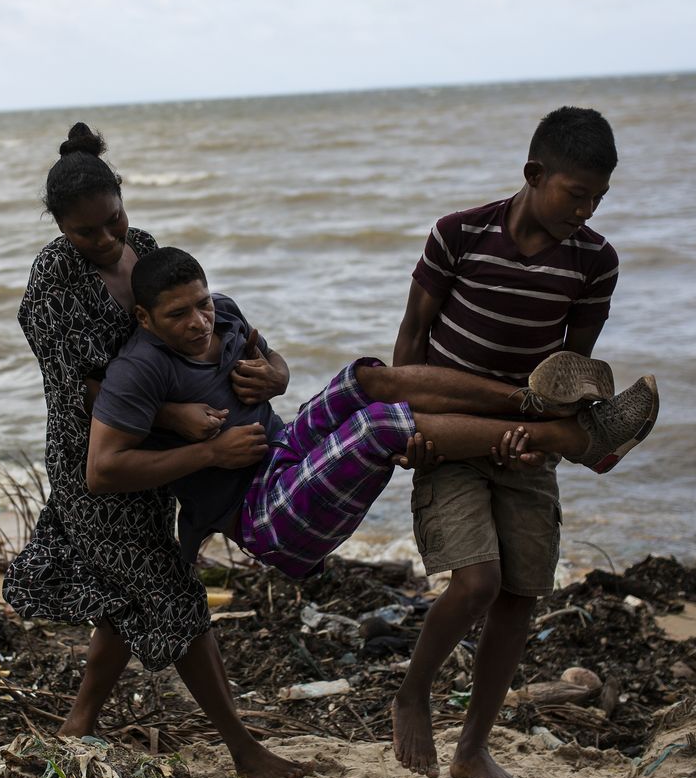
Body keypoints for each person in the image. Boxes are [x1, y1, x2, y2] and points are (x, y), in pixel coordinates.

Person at [85, 245, 656, 604]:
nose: (199, 321)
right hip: (265, 520)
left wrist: (276, 377)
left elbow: (276, 364)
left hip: (285, 456)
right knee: (381, 428)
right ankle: (575, 438)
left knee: (372, 378)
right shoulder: (138, 370)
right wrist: (208, 455)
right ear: (145, 318)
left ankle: (534, 405)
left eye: (202, 304)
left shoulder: (224, 312)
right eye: (179, 315)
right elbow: (103, 471)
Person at [1, 124, 309, 778]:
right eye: (88, 232)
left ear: (122, 198)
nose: (108, 238)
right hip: (97, 462)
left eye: (114, 219)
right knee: (172, 593)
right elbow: (76, 384)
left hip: (164, 449)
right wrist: (181, 420)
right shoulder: (53, 280)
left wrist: (269, 376)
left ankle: (79, 722)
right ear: (60, 227)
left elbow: (190, 334)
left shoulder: (142, 249)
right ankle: (244, 750)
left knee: (127, 588)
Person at [390, 105, 641, 778]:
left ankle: (472, 749)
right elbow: (412, 334)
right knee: (475, 582)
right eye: (576, 193)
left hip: (529, 440)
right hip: (449, 435)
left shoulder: (595, 261)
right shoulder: (458, 234)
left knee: (521, 593)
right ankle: (413, 694)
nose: (585, 211)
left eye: (599, 198)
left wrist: (555, 437)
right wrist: (401, 424)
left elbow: (574, 368)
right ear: (534, 174)